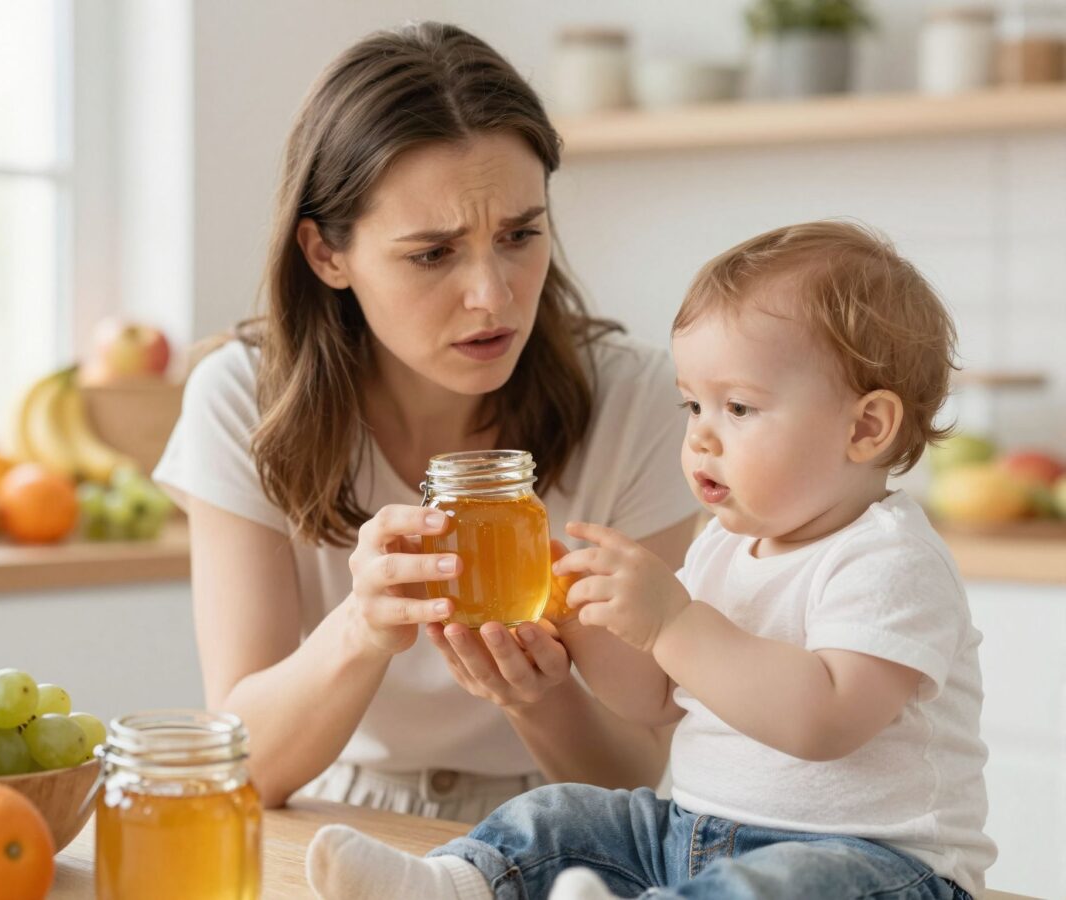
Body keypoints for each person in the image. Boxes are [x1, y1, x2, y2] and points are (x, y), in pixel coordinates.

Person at [304, 220, 998, 899]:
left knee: (785, 886)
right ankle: (449, 885)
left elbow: (823, 721)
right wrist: (580, 615)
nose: (701, 438)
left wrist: (671, 622)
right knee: (565, 816)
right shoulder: (725, 544)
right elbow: (656, 695)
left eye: (739, 408)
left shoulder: (889, 560)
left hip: (874, 868)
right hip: (693, 835)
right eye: (693, 405)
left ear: (865, 427)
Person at [152, 20, 697, 824]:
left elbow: (636, 776)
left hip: (557, 821)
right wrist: (362, 629)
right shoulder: (241, 398)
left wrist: (536, 699)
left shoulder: (636, 400)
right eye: (433, 254)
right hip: (329, 818)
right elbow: (244, 767)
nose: (495, 294)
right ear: (326, 254)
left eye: (519, 235)